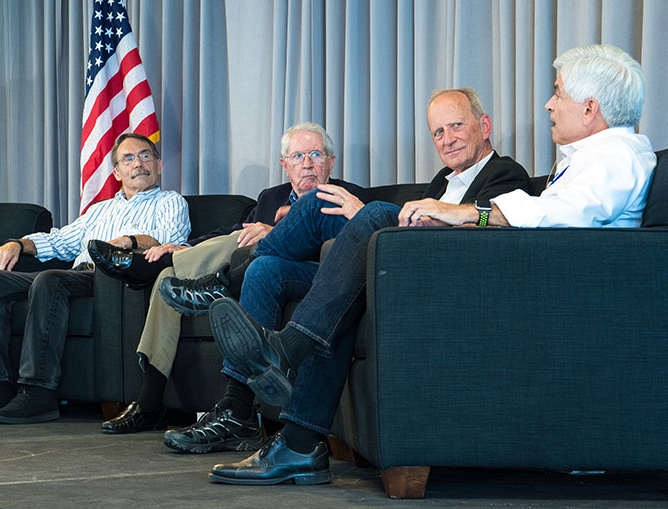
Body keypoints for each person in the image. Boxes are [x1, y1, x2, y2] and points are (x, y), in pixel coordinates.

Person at [207, 44, 655, 485]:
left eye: (557, 93)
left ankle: (278, 343)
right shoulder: (588, 158)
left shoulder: (616, 155)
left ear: (590, 107)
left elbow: (562, 217)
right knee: (342, 274)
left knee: (371, 216)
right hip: (506, 279)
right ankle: (299, 441)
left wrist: (465, 213)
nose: (548, 104)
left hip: (509, 289)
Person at [163, 88, 531, 455]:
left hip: (425, 279)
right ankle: (238, 411)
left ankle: (225, 283)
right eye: (438, 131)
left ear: (484, 125)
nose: (447, 139)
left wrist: (370, 215)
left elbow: (483, 239)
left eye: (456, 126)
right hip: (384, 271)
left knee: (336, 204)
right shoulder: (443, 181)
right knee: (267, 269)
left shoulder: (505, 174)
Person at [89, 123, 369, 440]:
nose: (307, 163)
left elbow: (348, 256)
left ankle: (197, 279)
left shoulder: (350, 197)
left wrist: (275, 232)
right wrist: (185, 247)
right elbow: (234, 232)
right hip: (252, 265)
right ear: (284, 164)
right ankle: (150, 399)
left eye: (316, 154)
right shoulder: (271, 198)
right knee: (171, 276)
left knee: (254, 255)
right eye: (298, 156)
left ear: (331, 161)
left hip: (304, 273)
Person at [0, 133, 190, 424]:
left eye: (146, 156)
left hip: (112, 280)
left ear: (159, 164)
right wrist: (18, 244)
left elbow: (171, 241)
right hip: (76, 275)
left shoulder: (170, 202)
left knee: (50, 280)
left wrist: (129, 241)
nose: (139, 163)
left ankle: (38, 391)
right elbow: (59, 241)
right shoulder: (100, 210)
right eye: (128, 158)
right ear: (117, 172)